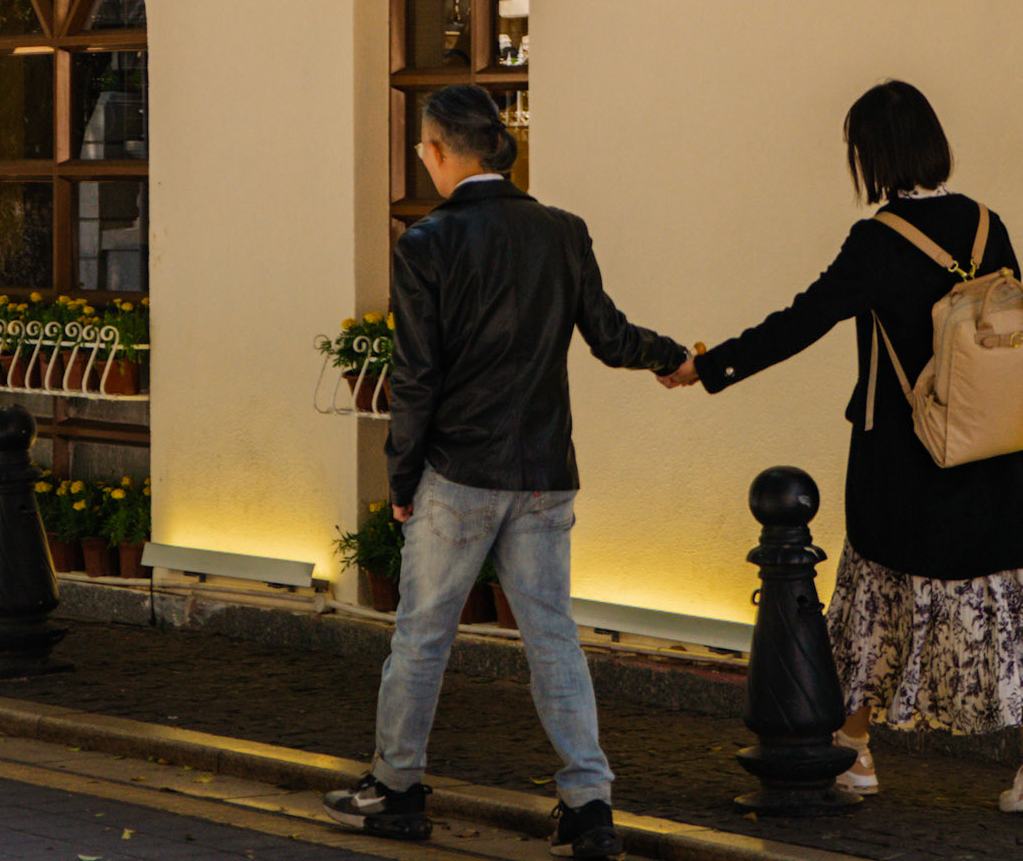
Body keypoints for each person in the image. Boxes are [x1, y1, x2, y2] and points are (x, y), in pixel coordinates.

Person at [323, 85, 687, 858]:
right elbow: (611, 336)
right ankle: (588, 802)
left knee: (422, 636)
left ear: (438, 151)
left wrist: (399, 480)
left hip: (458, 471)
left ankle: (395, 787)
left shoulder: (426, 243)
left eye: (423, 148)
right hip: (545, 471)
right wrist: (672, 357)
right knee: (552, 637)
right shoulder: (561, 231)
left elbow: (416, 376)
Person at [661, 80, 1023, 808]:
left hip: (905, 460)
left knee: (876, 604)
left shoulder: (877, 241)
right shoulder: (989, 224)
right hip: (995, 455)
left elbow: (802, 319)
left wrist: (710, 365)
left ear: (872, 155)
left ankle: (855, 751)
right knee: (1002, 606)